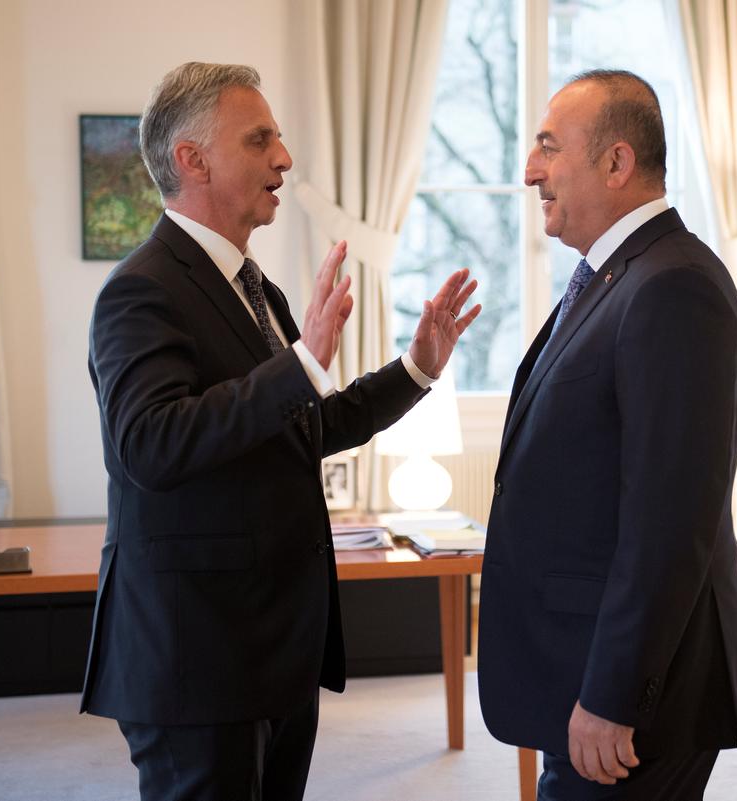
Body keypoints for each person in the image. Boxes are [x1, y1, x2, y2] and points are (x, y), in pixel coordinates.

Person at [81, 62, 480, 801]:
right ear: (191, 159)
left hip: (274, 648)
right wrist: (300, 364)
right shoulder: (140, 290)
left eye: (280, 138)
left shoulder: (257, 289)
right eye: (260, 139)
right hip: (195, 656)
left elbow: (306, 425)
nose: (284, 159)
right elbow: (153, 444)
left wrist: (416, 368)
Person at [477, 69, 737, 800]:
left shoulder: (673, 289)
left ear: (616, 162)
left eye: (547, 147)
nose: (530, 170)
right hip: (584, 671)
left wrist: (613, 696)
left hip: (633, 702)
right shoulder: (616, 277)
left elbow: (668, 524)